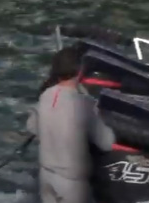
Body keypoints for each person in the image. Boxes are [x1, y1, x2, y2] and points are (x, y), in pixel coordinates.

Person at [26, 46, 117, 203]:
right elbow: (107, 143)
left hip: (46, 177)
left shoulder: (45, 95)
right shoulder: (85, 103)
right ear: (80, 71)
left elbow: (32, 127)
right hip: (71, 184)